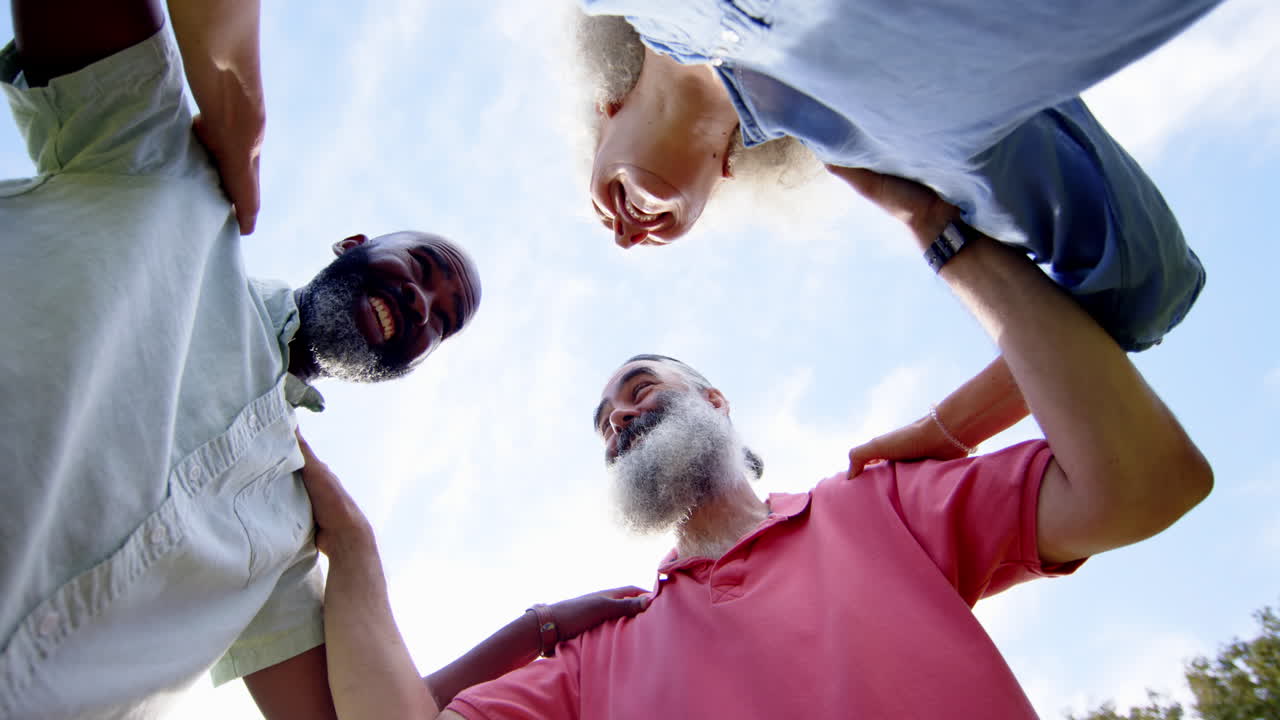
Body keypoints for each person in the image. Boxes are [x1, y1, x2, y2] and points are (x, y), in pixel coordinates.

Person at [301, 167, 1212, 718]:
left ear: (717, 403)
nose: (617, 419)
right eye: (605, 424)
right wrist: (354, 547)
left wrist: (942, 236)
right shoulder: (597, 662)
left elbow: (1148, 483)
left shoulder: (877, 509)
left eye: (639, 390)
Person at [0, 1, 491, 717]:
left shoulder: (288, 547)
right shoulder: (171, 176)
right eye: (423, 267)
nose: (422, 304)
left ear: (409, 367)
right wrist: (239, 97)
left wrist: (354, 548)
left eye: (440, 321)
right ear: (354, 244)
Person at [574, 1, 1219, 466]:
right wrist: (949, 427)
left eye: (604, 216)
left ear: (607, 107)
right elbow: (1140, 289)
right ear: (725, 171)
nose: (625, 238)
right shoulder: (893, 151)